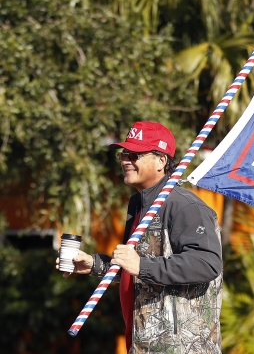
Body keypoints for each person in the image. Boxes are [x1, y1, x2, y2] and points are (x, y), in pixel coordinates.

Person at [57, 121, 223, 353]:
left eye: (134, 155)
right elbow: (138, 270)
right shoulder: (140, 205)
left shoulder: (184, 206)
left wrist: (141, 266)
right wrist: (95, 264)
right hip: (143, 343)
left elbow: (207, 263)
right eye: (124, 154)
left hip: (180, 348)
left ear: (161, 161)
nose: (126, 160)